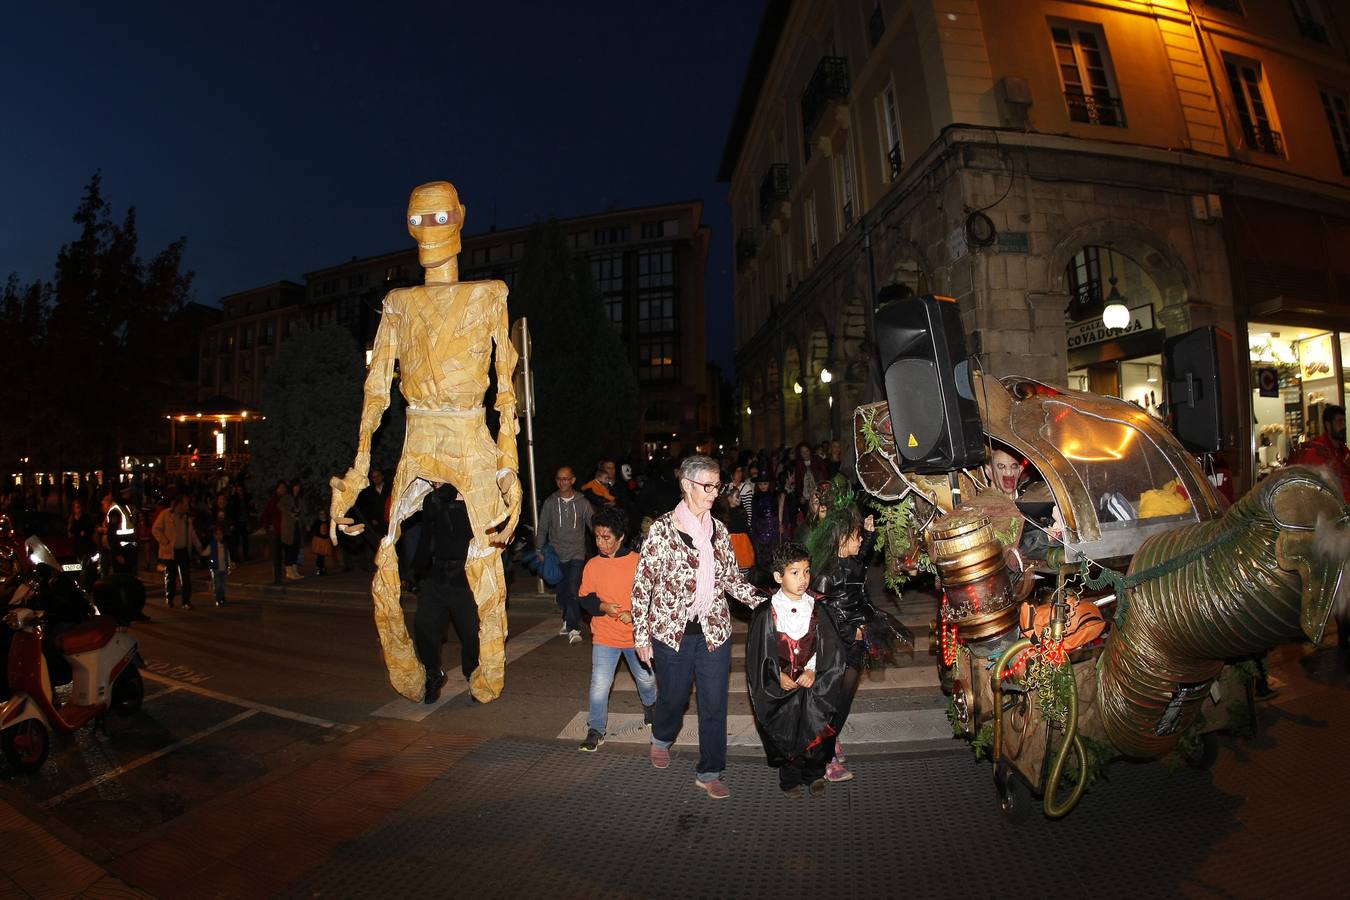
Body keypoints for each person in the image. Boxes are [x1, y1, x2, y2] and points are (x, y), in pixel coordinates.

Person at [632, 454, 765, 801]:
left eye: (716, 485)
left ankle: (710, 770)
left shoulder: (719, 531)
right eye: (708, 486)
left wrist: (765, 602)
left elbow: (731, 580)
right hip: (671, 634)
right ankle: (662, 736)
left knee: (713, 703)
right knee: (674, 699)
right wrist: (642, 636)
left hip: (713, 631)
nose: (714, 493)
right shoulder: (662, 530)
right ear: (687, 486)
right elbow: (643, 584)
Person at [746, 542, 845, 797]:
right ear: (779, 577)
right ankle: (789, 779)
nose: (803, 579)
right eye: (795, 573)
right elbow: (758, 653)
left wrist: (813, 669)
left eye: (806, 571)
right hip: (782, 686)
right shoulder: (766, 612)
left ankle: (814, 773)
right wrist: (775, 675)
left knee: (816, 727)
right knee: (786, 729)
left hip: (812, 684)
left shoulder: (817, 607)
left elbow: (829, 647)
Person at [576, 505, 657, 752]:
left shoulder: (637, 562)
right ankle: (596, 729)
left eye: (606, 537)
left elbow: (652, 597)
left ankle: (651, 707)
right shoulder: (592, 565)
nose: (600, 542)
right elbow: (584, 597)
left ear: (620, 536)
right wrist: (602, 606)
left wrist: (634, 614)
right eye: (597, 536)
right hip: (605, 635)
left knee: (645, 679)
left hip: (636, 638)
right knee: (599, 684)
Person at [809, 503, 878, 783]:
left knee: (844, 701)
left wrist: (870, 535)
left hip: (856, 640)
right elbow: (821, 619)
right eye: (855, 535)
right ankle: (825, 758)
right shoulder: (826, 575)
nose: (859, 539)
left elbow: (863, 557)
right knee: (831, 702)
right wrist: (851, 634)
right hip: (838, 647)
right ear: (839, 539)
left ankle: (832, 739)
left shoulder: (852, 561)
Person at [410, 483, 479, 705]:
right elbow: (426, 535)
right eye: (433, 481)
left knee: (471, 633)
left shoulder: (473, 497)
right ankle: (432, 672)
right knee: (423, 624)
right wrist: (414, 571)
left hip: (466, 576)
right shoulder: (431, 500)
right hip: (437, 575)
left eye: (439, 480)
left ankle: (473, 676)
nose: (435, 484)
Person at [536, 466, 593, 644]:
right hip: (556, 553)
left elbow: (593, 524)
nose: (563, 482)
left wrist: (605, 542)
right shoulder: (550, 502)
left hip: (577, 552)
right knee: (562, 592)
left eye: (566, 479)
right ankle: (567, 618)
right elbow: (543, 527)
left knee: (573, 588)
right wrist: (539, 549)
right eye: (559, 479)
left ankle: (573, 627)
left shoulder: (582, 502)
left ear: (573, 480)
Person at [152, 494, 205, 609]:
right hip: (170, 551)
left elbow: (192, 534)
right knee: (171, 576)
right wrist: (165, 541)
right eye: (186, 504)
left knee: (186, 577)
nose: (187, 507)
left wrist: (199, 546)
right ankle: (170, 597)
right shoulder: (166, 515)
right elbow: (156, 529)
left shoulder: (186, 518)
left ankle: (186, 601)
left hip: (183, 550)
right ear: (179, 504)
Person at [1289, 404, 1350, 503]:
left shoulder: (1343, 450)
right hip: (1327, 509)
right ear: (1328, 425)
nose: (1344, 426)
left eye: (1344, 421)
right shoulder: (1316, 451)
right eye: (1339, 422)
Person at [279, 479, 304, 582]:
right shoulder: (287, 497)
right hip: (288, 527)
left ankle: (295, 570)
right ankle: (289, 571)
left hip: (297, 526)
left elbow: (301, 511)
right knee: (289, 548)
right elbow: (279, 506)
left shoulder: (299, 499)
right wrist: (289, 514)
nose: (297, 489)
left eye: (298, 487)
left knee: (296, 548)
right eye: (295, 486)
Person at [263, 480, 286, 585]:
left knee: (284, 555)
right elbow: (266, 515)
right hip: (277, 532)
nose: (282, 489)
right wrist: (269, 525)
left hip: (285, 531)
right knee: (277, 555)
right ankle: (277, 578)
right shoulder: (273, 501)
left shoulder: (286, 500)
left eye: (283, 488)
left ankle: (282, 576)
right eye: (280, 487)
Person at [206, 513, 231, 607]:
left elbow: (227, 555)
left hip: (223, 568)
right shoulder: (212, 545)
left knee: (223, 584)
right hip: (215, 568)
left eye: (221, 534)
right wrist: (201, 552)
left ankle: (223, 597)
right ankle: (218, 598)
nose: (219, 536)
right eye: (217, 534)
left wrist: (229, 565)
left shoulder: (224, 545)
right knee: (217, 584)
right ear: (214, 535)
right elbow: (207, 552)